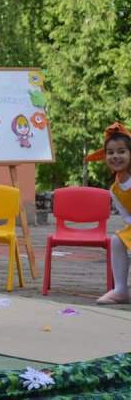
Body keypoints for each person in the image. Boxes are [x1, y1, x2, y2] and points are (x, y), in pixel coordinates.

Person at [87, 123, 131, 305]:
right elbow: (126, 215)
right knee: (117, 240)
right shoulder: (115, 189)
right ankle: (120, 290)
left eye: (121, 151)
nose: (116, 156)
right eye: (110, 152)